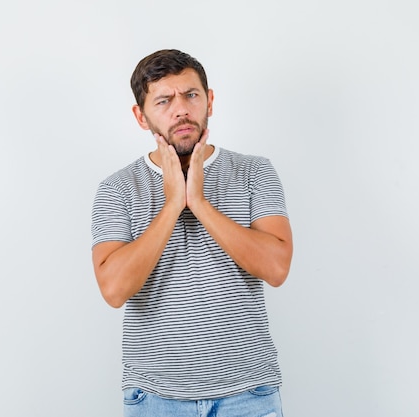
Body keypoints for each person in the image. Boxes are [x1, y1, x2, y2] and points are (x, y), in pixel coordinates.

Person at [90, 49, 293, 417]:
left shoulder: (255, 172)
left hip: (249, 393)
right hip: (154, 397)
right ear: (141, 116)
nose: (181, 109)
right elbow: (114, 290)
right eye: (164, 100)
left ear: (210, 100)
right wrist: (172, 205)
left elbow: (276, 268)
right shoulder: (117, 189)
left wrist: (198, 202)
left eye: (191, 95)